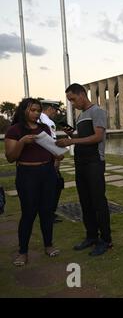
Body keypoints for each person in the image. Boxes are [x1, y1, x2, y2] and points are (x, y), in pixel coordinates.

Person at [55, 83, 112, 257]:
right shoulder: (81, 116)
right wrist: (71, 134)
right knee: (85, 202)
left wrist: (71, 142)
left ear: (82, 94)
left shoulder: (97, 111)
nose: (72, 103)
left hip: (94, 162)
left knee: (98, 202)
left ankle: (106, 240)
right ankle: (92, 236)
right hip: (81, 162)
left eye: (72, 99)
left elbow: (97, 137)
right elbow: (82, 137)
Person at [5, 98, 62, 266]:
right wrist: (22, 142)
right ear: (24, 111)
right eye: (33, 110)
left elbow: (51, 149)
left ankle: (49, 245)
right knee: (28, 213)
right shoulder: (14, 130)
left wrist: (57, 154)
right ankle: (23, 252)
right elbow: (10, 158)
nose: (36, 113)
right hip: (27, 174)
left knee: (47, 212)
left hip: (47, 172)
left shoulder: (44, 128)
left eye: (38, 110)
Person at [40, 100, 64, 223]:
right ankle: (49, 214)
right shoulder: (48, 122)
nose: (55, 113)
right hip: (48, 159)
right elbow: (52, 143)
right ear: (50, 108)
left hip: (38, 159)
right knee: (55, 185)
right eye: (55, 110)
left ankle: (45, 213)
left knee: (43, 188)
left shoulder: (38, 119)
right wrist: (57, 159)